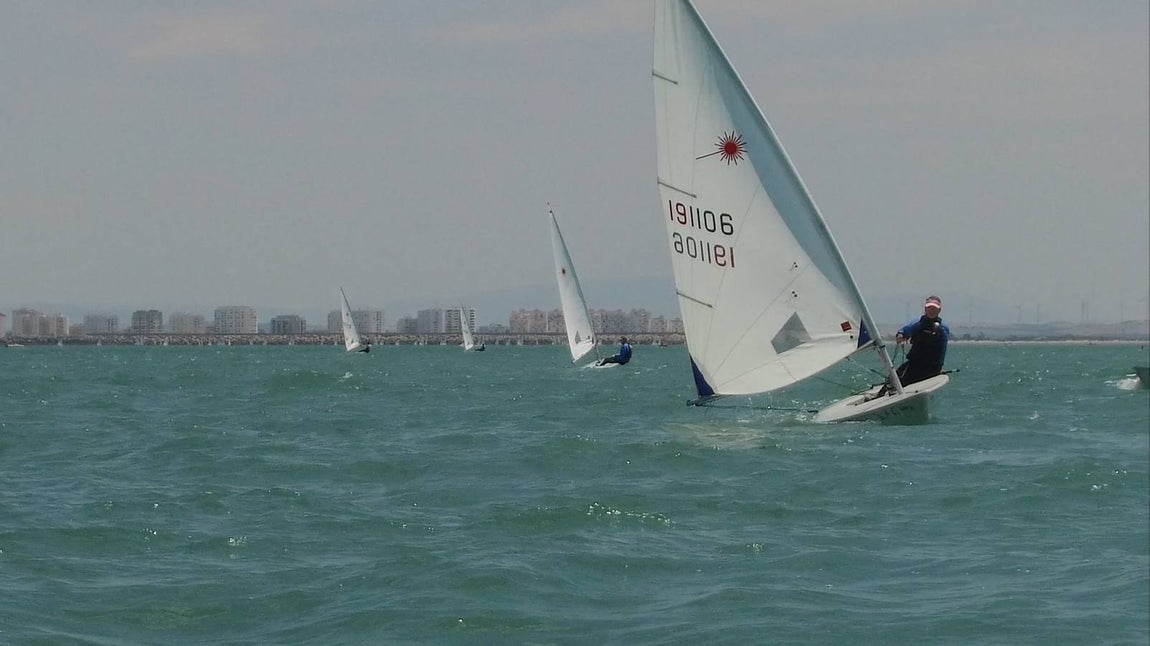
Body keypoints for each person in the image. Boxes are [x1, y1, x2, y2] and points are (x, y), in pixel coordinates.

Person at [892, 295, 949, 386]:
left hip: (931, 366)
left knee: (908, 379)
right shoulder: (917, 323)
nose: (931, 310)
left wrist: (939, 367)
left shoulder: (943, 328)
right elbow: (905, 330)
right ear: (925, 309)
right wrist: (900, 335)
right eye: (929, 308)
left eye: (934, 308)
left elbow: (943, 350)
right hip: (915, 363)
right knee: (895, 377)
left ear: (939, 310)